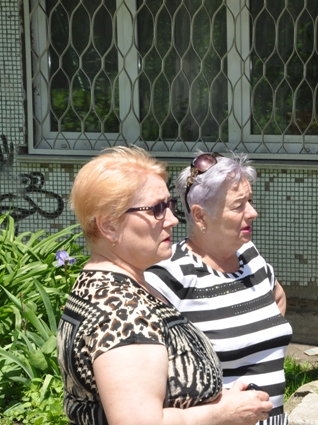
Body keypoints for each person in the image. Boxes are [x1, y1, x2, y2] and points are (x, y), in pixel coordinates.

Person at [57, 146, 273, 425]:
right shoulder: (123, 311)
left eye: (169, 206)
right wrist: (223, 412)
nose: (172, 219)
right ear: (109, 225)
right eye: (157, 209)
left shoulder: (102, 284)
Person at [145, 152, 292, 425]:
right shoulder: (170, 274)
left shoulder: (250, 257)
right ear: (200, 216)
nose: (253, 213)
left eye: (250, 201)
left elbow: (278, 299)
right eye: (238, 206)